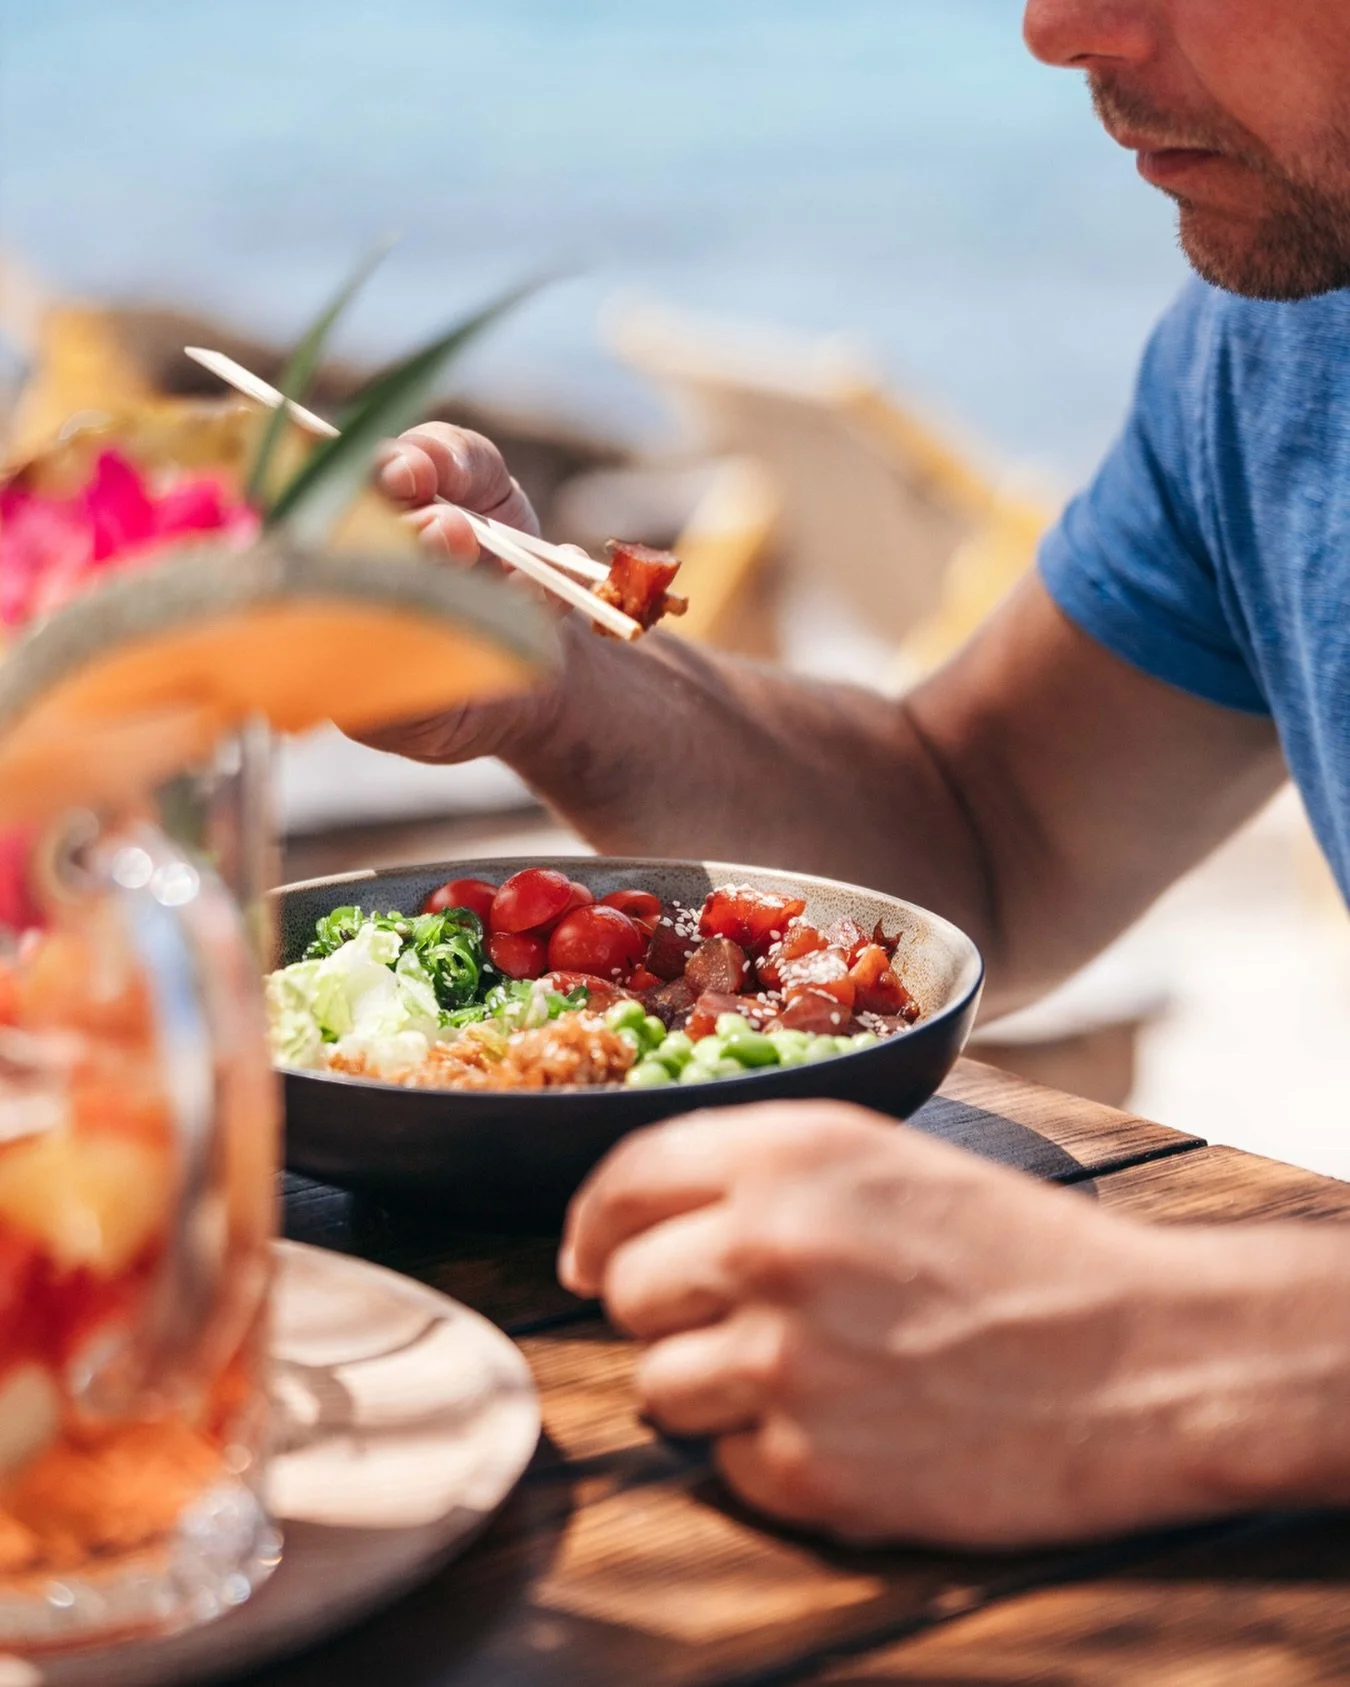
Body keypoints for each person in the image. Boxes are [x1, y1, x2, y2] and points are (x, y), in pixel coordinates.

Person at [366, 0, 1350, 1546]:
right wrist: (569, 687)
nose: (1054, 28)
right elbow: (986, 830)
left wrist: (1183, 1345)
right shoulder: (1280, 350)